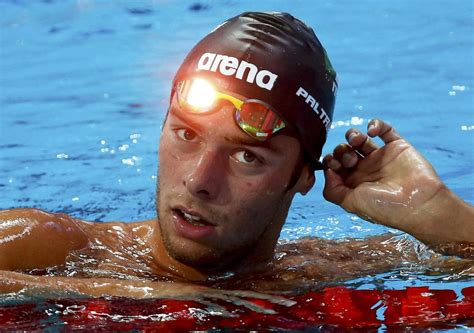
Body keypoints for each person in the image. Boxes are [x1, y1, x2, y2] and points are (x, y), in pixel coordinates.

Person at [1, 12, 472, 300]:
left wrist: (437, 215)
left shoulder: (327, 272)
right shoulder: (54, 248)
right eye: (185, 133)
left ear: (302, 177)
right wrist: (142, 295)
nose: (199, 181)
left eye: (248, 157)